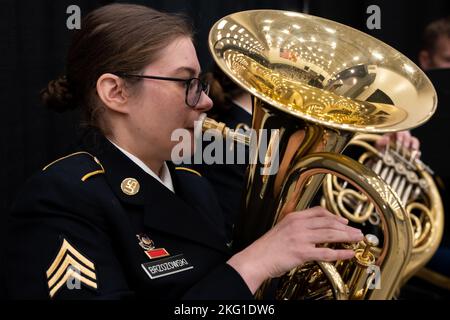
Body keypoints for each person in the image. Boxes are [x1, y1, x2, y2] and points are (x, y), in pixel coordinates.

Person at [4, 4, 364, 300]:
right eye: (186, 83)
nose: (206, 101)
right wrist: (254, 263)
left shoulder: (192, 183)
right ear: (116, 92)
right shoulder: (61, 197)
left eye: (201, 84)